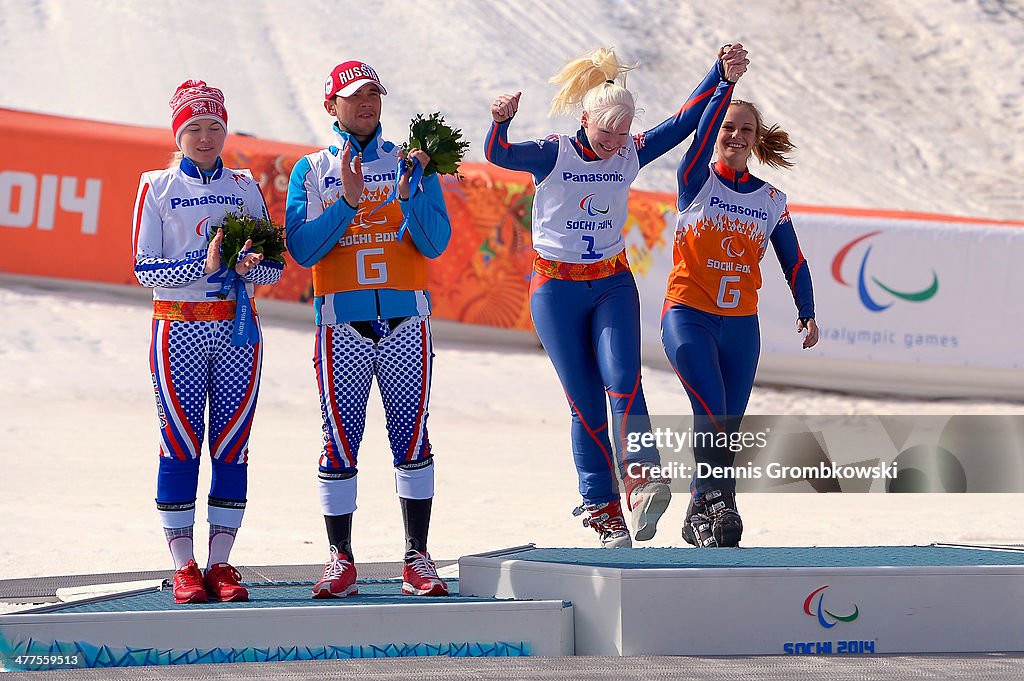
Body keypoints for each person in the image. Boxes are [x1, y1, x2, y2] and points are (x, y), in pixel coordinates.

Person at [484, 46, 749, 547]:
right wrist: (501, 122)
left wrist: (720, 75)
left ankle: (644, 480)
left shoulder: (629, 153)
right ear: (584, 120)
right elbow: (500, 155)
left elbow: (683, 122)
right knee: (585, 403)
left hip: (611, 283)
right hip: (555, 289)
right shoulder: (555, 153)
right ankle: (602, 509)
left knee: (624, 380)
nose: (613, 145)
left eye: (622, 135)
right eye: (605, 134)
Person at [285, 60, 453, 598]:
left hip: (407, 322)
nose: (366, 104)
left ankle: (417, 557)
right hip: (342, 325)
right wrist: (349, 203)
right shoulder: (311, 170)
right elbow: (302, 249)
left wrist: (408, 194)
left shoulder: (412, 161)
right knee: (339, 440)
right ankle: (340, 559)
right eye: (355, 96)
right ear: (331, 105)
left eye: (374, 95)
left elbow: (434, 244)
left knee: (412, 437)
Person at [132, 80, 284, 603]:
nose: (204, 137)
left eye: (214, 127)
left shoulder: (244, 185)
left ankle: (221, 563)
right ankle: (184, 566)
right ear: (177, 134)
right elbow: (144, 268)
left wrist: (249, 268)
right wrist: (205, 263)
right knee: (179, 442)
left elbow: (273, 269)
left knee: (232, 444)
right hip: (178, 328)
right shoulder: (156, 186)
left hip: (237, 330)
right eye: (193, 128)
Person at [662, 69, 819, 548]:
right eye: (728, 127)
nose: (735, 135)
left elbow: (793, 260)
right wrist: (725, 83)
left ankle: (700, 512)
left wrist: (807, 309)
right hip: (688, 316)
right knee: (711, 410)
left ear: (755, 139)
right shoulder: (695, 178)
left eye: (745, 129)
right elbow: (700, 137)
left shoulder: (771, 199)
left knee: (726, 426)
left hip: (741, 328)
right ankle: (721, 501)